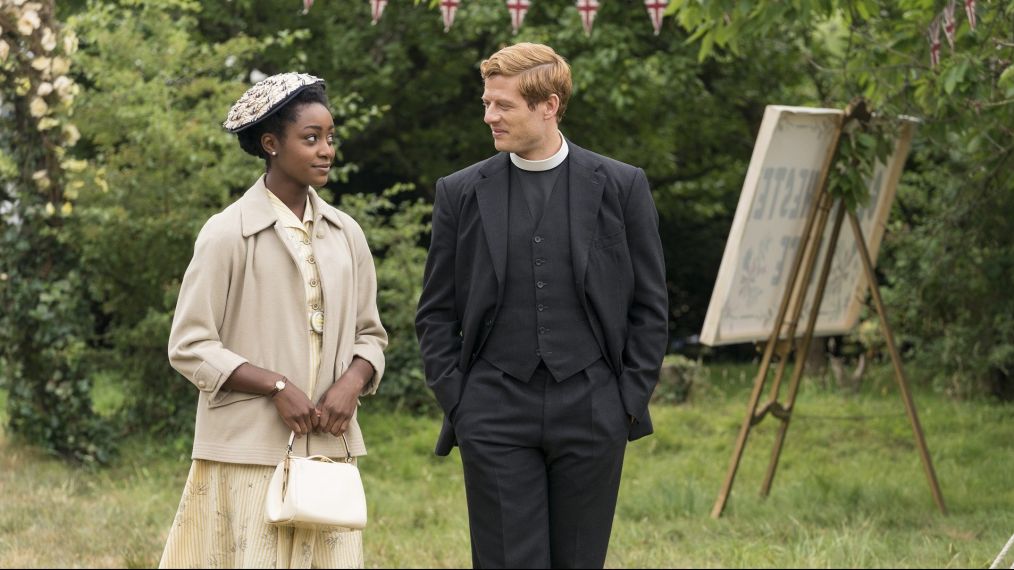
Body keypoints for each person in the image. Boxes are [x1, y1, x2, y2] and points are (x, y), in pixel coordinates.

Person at [415, 43, 668, 568]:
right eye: (487, 103)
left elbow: (650, 305)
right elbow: (436, 310)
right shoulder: (460, 192)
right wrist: (460, 401)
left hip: (594, 406)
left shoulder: (622, 186)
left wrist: (625, 399)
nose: (489, 116)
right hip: (493, 407)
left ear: (548, 106)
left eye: (503, 105)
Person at [160, 72, 387, 569]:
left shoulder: (347, 235)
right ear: (270, 144)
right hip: (246, 451)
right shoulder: (226, 234)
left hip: (328, 450)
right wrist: (277, 386)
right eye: (311, 138)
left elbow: (370, 335)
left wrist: (352, 381)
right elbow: (190, 344)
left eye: (330, 137)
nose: (326, 149)